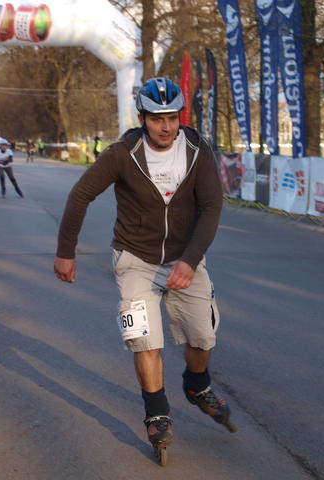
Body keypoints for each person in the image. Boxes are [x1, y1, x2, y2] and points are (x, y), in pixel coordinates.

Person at [54, 77, 234, 457]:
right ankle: (157, 413)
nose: (165, 127)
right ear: (142, 118)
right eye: (156, 119)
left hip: (185, 258)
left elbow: (211, 207)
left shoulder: (197, 149)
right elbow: (81, 195)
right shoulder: (123, 153)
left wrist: (189, 260)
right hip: (135, 259)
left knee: (203, 337)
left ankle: (196, 384)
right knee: (144, 338)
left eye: (171, 118)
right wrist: (65, 251)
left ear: (180, 116)